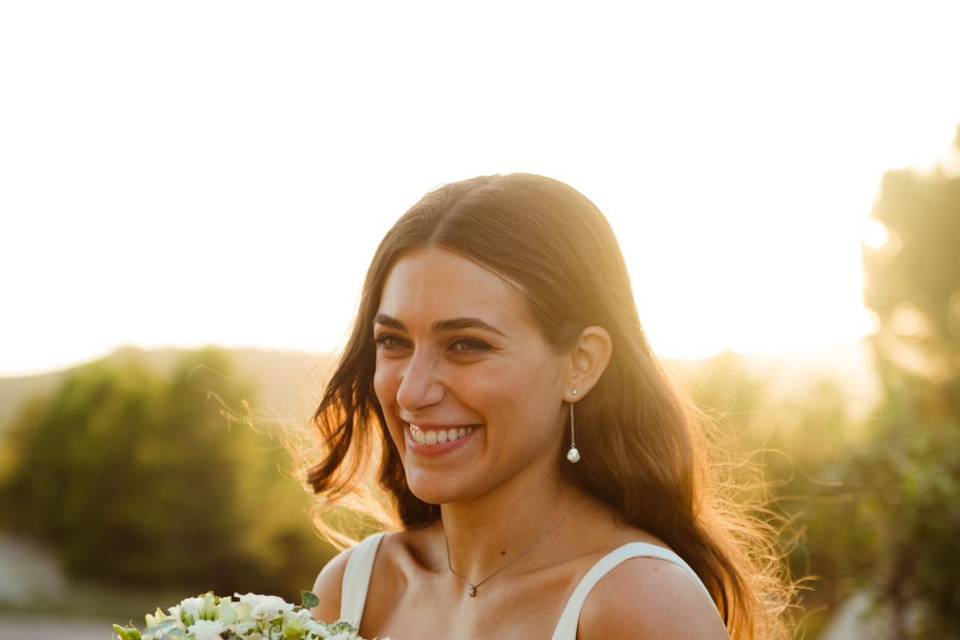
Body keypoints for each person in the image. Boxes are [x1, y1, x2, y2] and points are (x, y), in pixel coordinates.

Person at [304, 174, 795, 639]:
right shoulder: (351, 591)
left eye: (466, 345)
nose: (412, 392)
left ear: (581, 364)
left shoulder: (641, 602)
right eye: (393, 341)